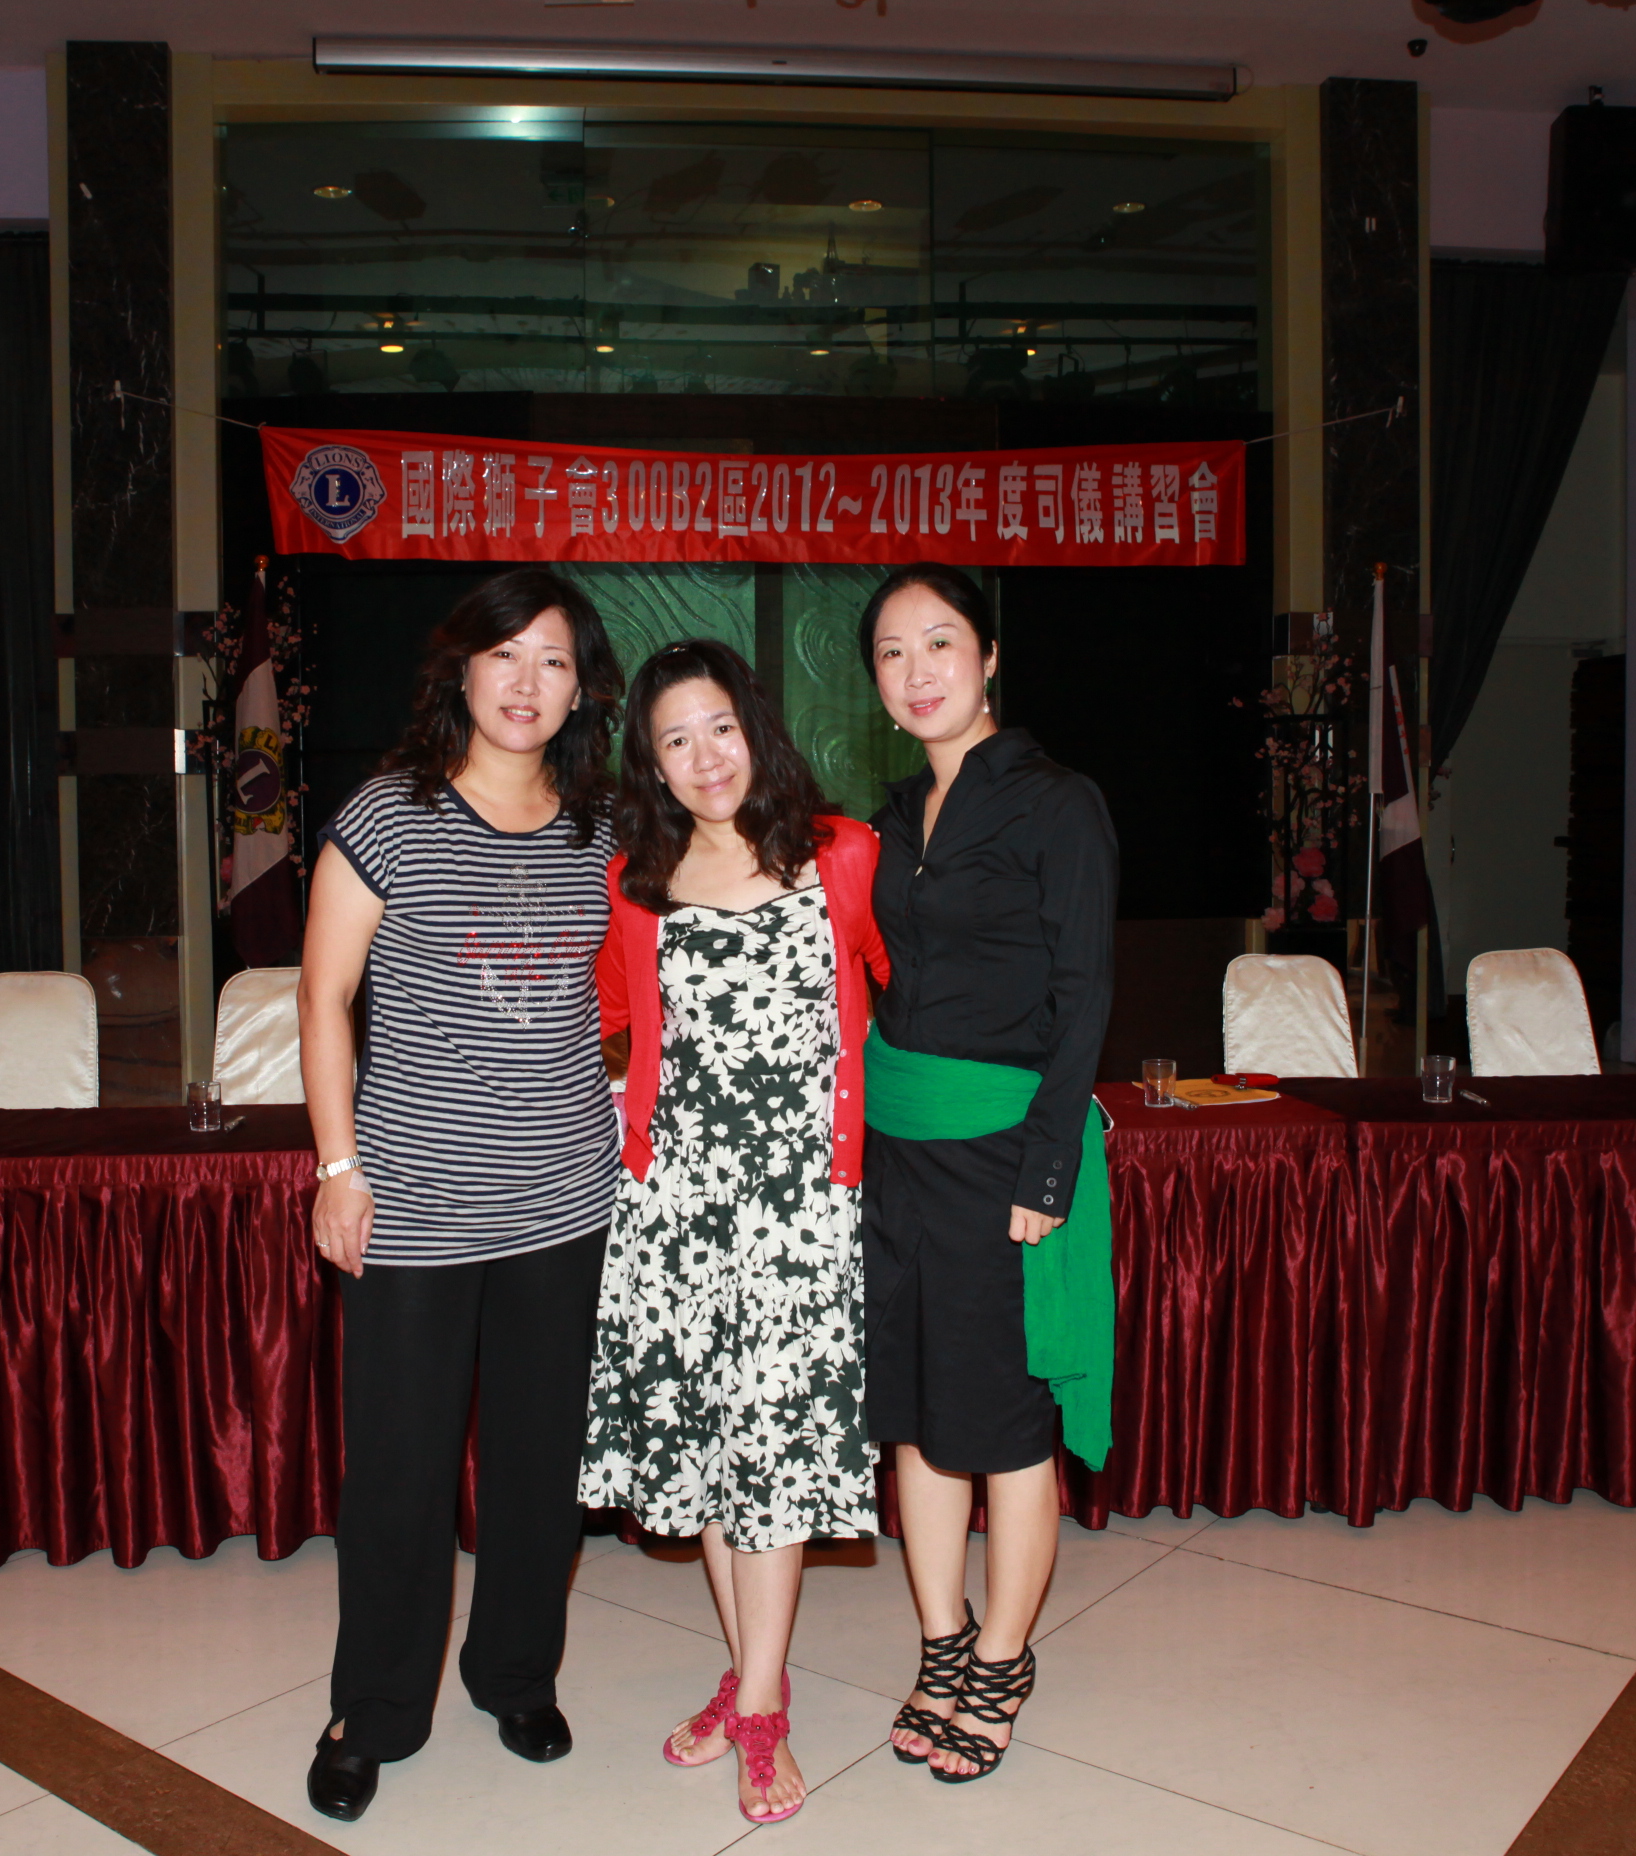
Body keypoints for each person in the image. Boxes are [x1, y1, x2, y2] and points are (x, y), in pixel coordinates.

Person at [295, 568, 626, 1824]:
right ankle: (375, 1707)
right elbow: (324, 996)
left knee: (541, 1465)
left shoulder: (605, 825)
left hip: (564, 1200)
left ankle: (515, 1674)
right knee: (400, 1471)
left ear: (580, 687)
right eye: (506, 654)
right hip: (416, 1205)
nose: (527, 681)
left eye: (554, 659)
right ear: (464, 668)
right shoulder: (390, 814)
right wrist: (338, 1165)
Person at [581, 640, 890, 1828]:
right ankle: (752, 1672)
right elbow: (605, 1016)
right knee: (713, 1452)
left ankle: (759, 1705)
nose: (705, 756)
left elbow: (906, 984)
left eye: (720, 726)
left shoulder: (841, 852)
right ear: (650, 763)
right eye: (675, 739)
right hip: (676, 1207)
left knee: (773, 1456)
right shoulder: (636, 881)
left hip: (801, 1211)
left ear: (755, 728)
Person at [853, 562, 1118, 1785]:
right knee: (911, 1412)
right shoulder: (895, 815)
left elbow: (1085, 994)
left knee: (1006, 1424)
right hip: (898, 1151)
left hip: (1004, 1153)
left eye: (940, 641)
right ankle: (943, 1640)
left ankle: (1003, 1658)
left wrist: (1047, 1169)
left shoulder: (1056, 802)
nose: (916, 671)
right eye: (892, 651)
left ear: (990, 655)